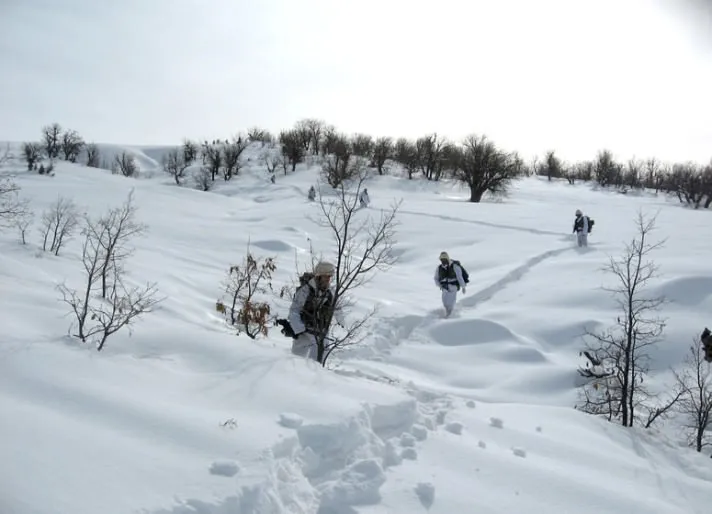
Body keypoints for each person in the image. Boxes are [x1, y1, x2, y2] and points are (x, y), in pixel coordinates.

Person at [287, 261, 336, 361]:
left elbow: (337, 310)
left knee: (318, 365)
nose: (328, 279)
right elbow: (294, 311)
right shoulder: (305, 291)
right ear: (319, 276)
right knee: (296, 361)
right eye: (326, 276)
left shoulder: (329, 293)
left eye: (329, 277)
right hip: (304, 333)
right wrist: (300, 329)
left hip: (321, 334)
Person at [434, 251, 467, 317]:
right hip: (444, 288)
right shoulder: (439, 268)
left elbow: (459, 277)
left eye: (444, 259)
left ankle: (451, 317)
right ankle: (446, 316)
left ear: (447, 258)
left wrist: (463, 287)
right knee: (445, 303)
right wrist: (440, 285)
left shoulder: (455, 266)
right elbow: (436, 278)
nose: (443, 261)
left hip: (453, 287)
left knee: (451, 303)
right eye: (442, 259)